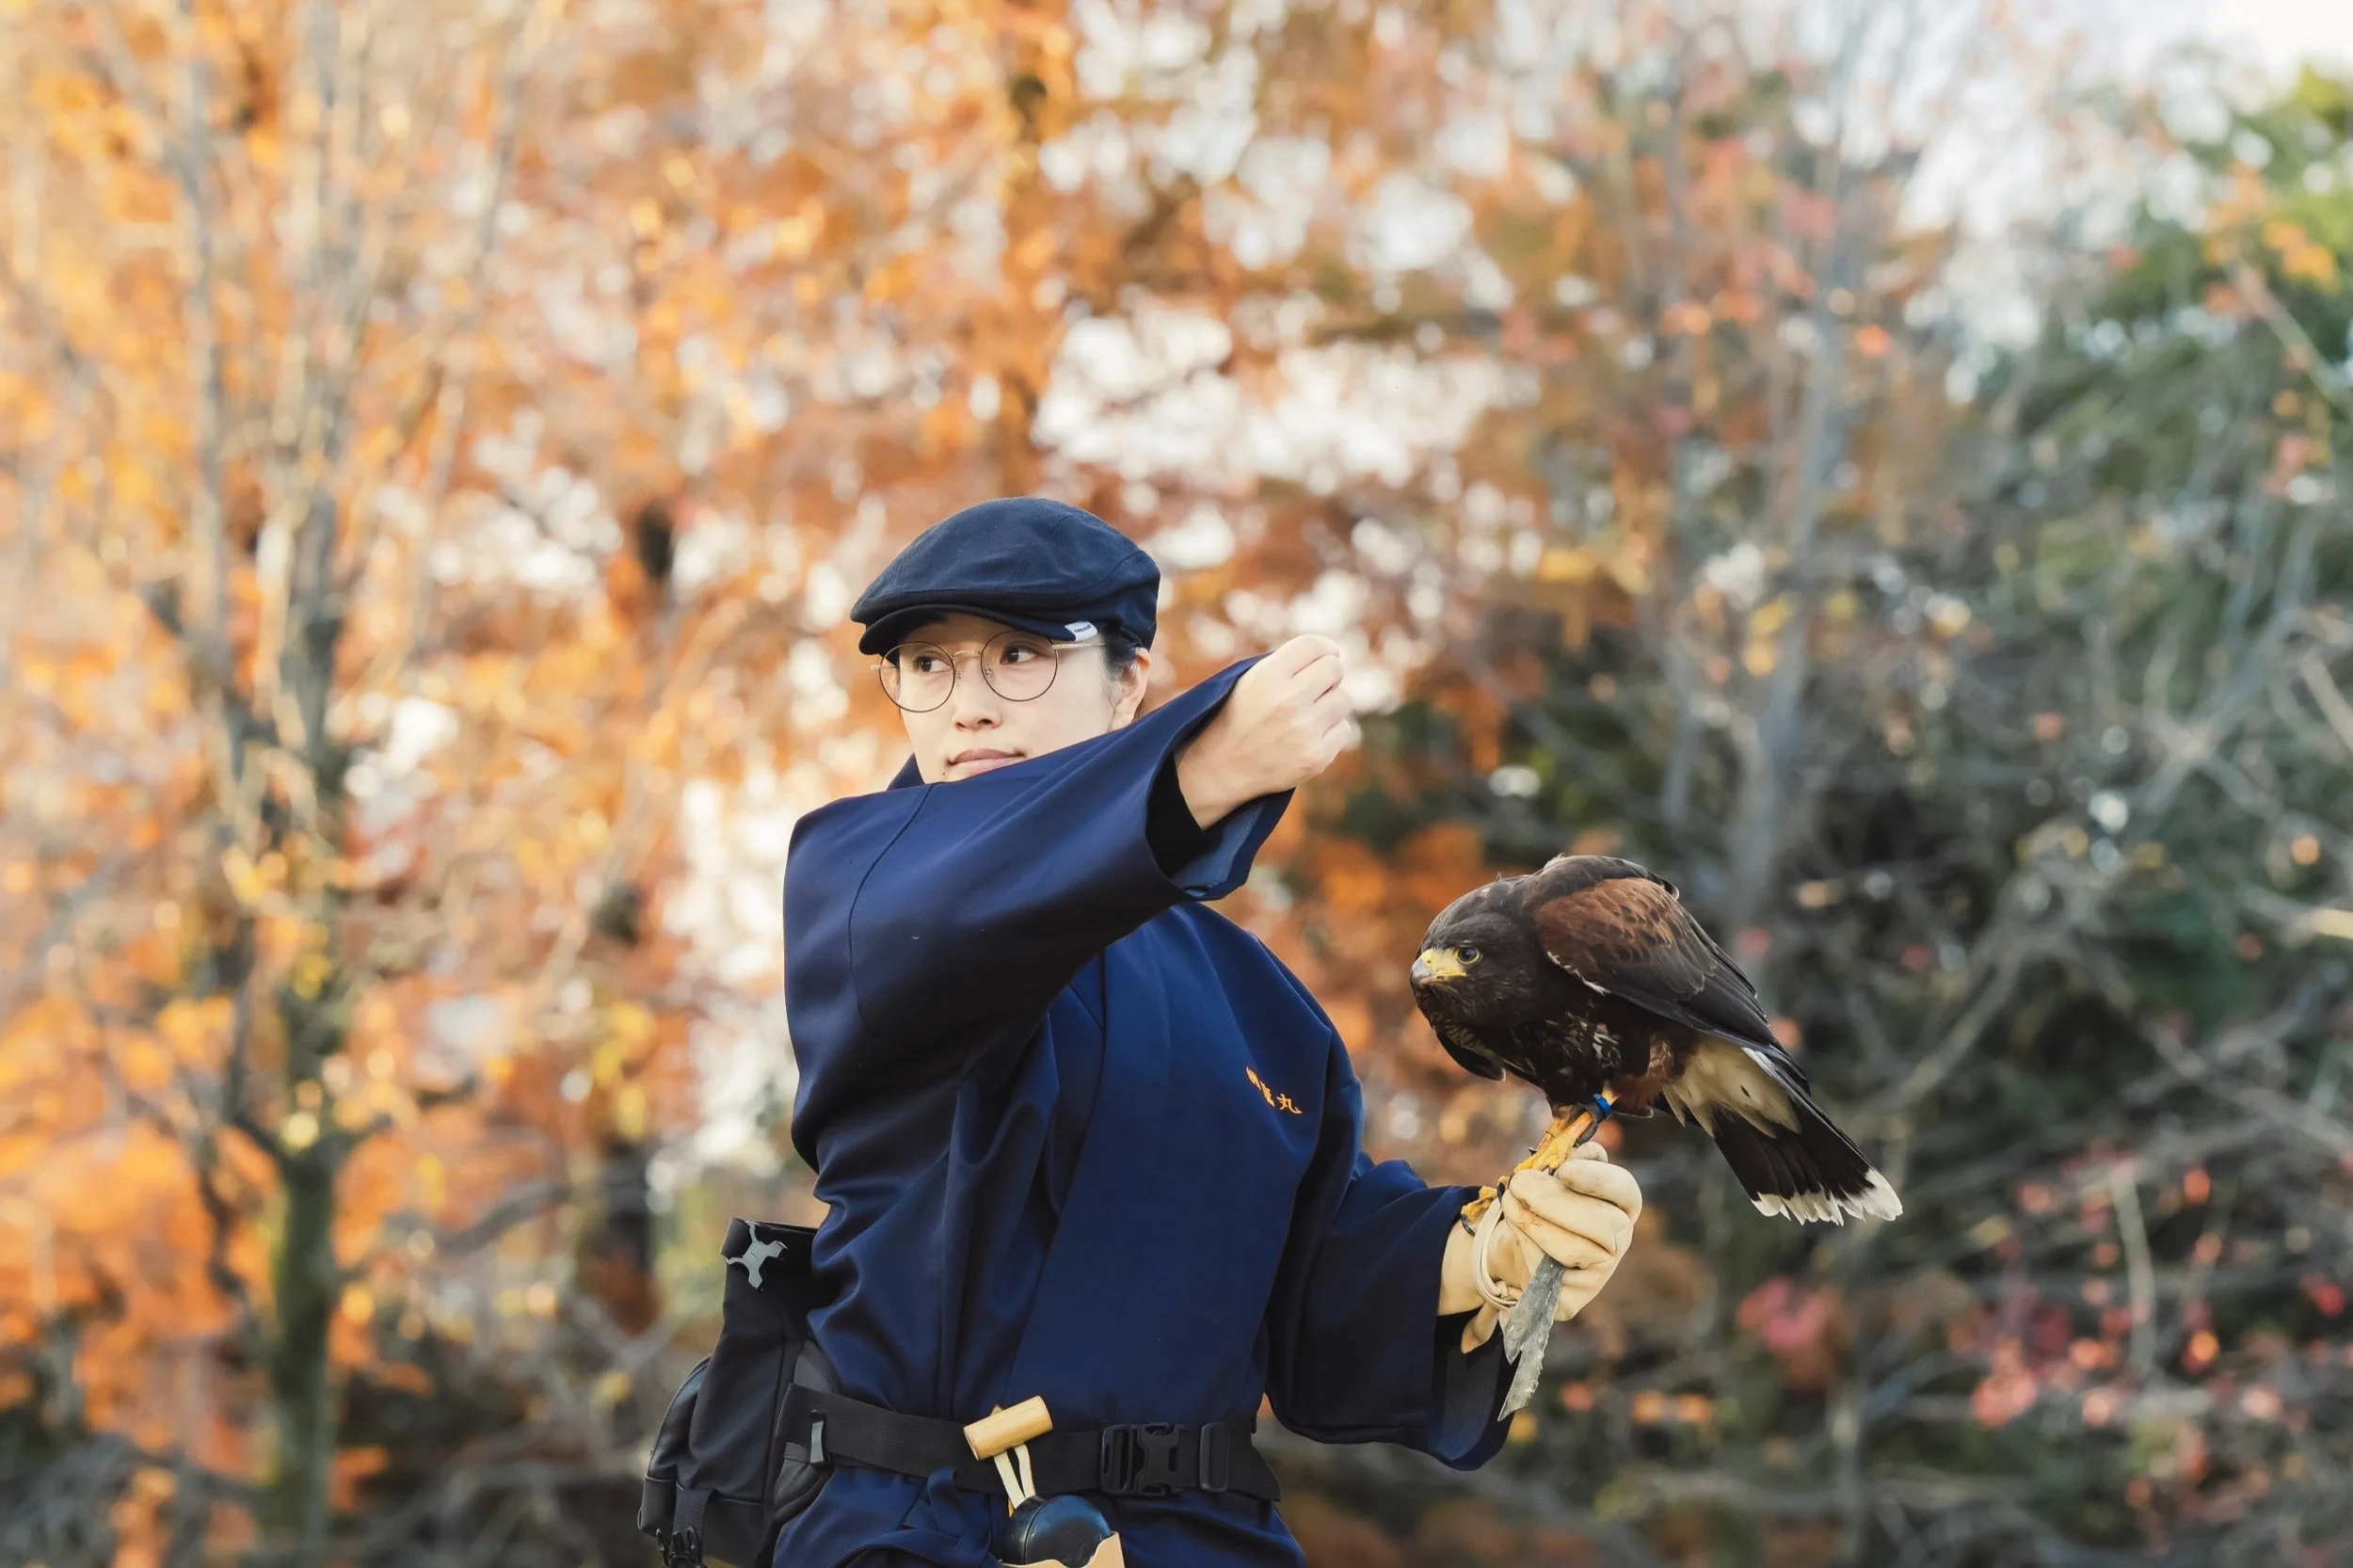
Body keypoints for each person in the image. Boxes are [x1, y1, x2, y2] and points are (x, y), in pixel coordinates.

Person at [776, 498, 1642, 1567]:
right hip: (920, 1531)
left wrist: (1486, 1255)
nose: (967, 706)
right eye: (927, 664)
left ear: (1128, 683)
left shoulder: (1255, 999)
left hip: (1202, 1538)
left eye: (1017, 655)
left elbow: (1312, 1291)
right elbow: (967, 900)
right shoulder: (861, 886)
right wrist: (1205, 767)